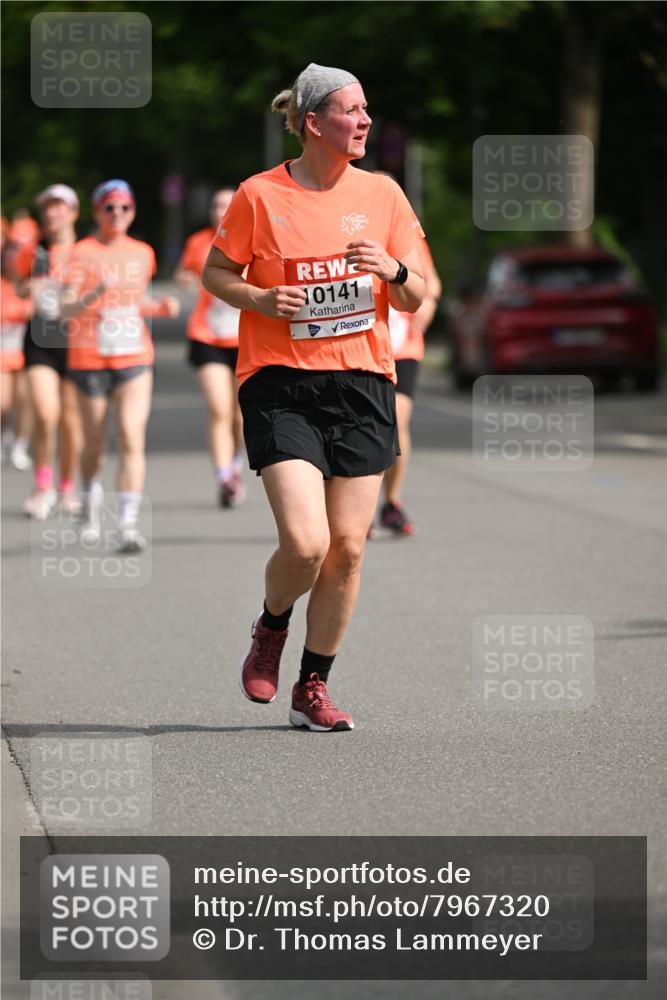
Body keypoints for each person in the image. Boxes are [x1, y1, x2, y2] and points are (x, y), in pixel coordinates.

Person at [203, 63, 425, 732]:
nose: (363, 122)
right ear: (312, 123)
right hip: (280, 381)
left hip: (362, 382)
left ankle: (311, 688)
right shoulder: (259, 196)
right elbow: (217, 271)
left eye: (365, 111)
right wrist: (259, 298)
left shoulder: (383, 195)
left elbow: (414, 296)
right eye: (350, 112)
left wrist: (393, 269)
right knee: (306, 543)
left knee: (348, 549)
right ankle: (271, 626)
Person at [61, 179, 180, 553]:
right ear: (97, 212)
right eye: (109, 207)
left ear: (133, 211)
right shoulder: (80, 252)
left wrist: (159, 307)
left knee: (131, 435)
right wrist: (96, 293)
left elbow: (136, 300)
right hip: (89, 358)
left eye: (125, 207)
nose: (117, 214)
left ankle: (127, 524)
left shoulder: (143, 252)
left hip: (134, 357)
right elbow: (65, 310)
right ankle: (89, 499)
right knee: (94, 444)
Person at [13, 185, 83, 519]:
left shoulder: (87, 250)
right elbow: (16, 281)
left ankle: (67, 485)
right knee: (45, 413)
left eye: (58, 207)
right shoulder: (34, 250)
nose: (52, 214)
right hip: (40, 337)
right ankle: (43, 486)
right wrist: (28, 287)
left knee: (70, 422)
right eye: (47, 208)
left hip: (77, 341)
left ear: (73, 212)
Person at [175, 188, 246, 507]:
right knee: (219, 409)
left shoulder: (252, 239)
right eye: (216, 204)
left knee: (241, 414)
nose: (220, 210)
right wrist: (184, 280)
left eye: (227, 205)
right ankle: (223, 476)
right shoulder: (198, 242)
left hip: (247, 338)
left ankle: (236, 465)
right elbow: (184, 272)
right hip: (207, 335)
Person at [378, 237, 442, 535]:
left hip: (403, 348)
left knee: (396, 421)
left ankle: (391, 502)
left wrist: (429, 302)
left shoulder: (408, 237)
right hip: (361, 348)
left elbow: (432, 283)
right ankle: (355, 510)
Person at [1, 222, 33, 456]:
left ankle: (20, 444)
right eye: (8, 257)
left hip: (26, 353)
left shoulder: (30, 287)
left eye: (16, 258)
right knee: (3, 403)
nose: (12, 262)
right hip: (3, 354)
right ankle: (4, 432)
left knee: (25, 401)